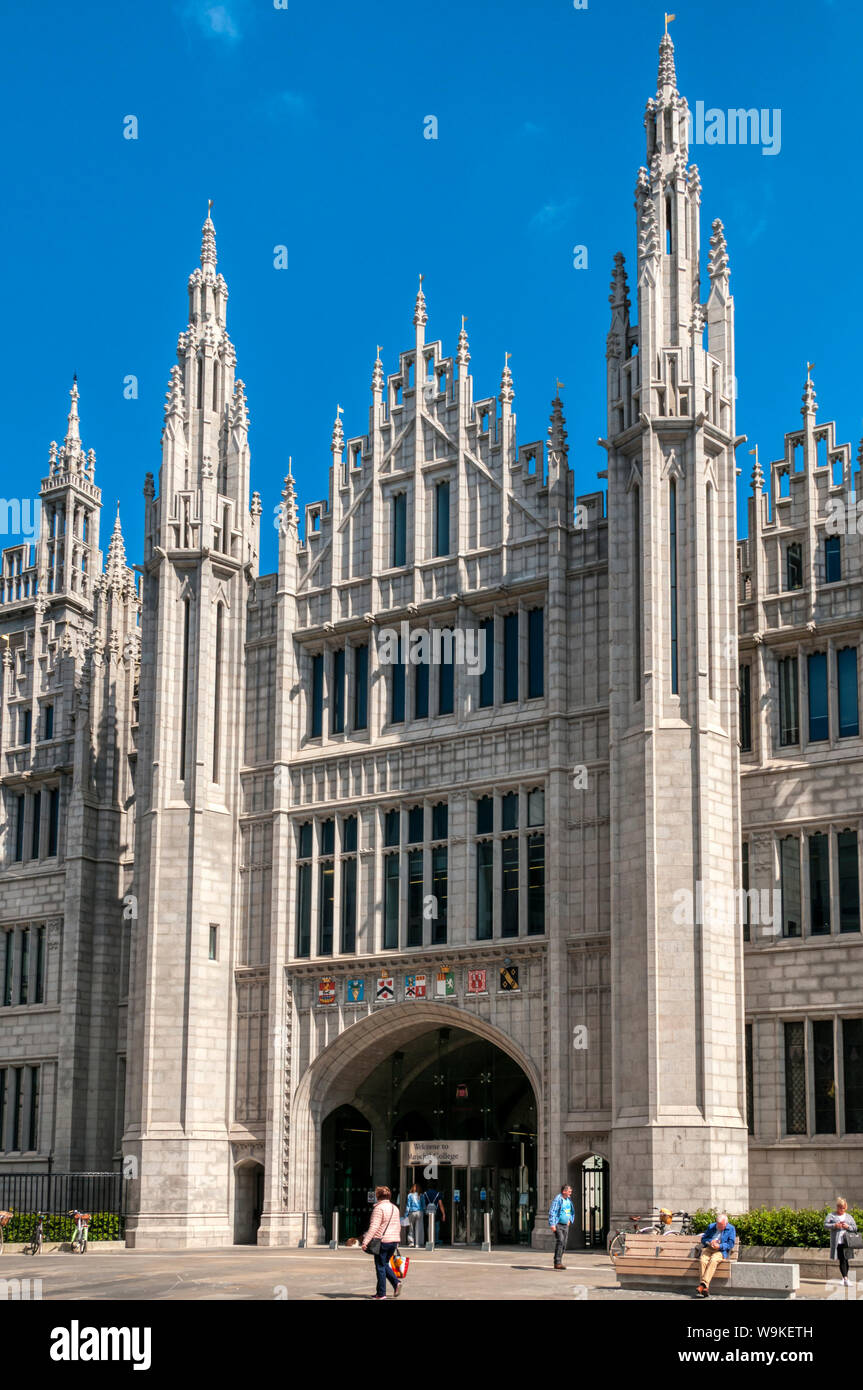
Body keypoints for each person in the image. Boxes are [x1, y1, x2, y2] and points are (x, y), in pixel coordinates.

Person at [361, 1186, 404, 1300]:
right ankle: (395, 1284)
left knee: (380, 1266)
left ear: (377, 1196)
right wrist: (397, 1239)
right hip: (393, 1241)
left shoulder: (379, 1208)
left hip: (382, 1241)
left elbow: (374, 1226)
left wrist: (365, 1241)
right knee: (384, 1264)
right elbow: (397, 1225)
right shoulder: (395, 1208)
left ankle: (381, 1293)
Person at [696, 1211, 737, 1298]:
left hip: (720, 1251)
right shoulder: (711, 1226)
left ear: (726, 1223)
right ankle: (705, 1288)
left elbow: (731, 1244)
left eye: (721, 1225)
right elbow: (703, 1239)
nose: (719, 1227)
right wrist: (710, 1242)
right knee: (702, 1260)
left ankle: (702, 1285)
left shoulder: (731, 1229)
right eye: (718, 1225)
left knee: (713, 1260)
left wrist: (720, 1245)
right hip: (709, 1248)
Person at [825, 1196, 858, 1286]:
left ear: (845, 1207)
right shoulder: (831, 1215)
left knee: (846, 1260)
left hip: (847, 1242)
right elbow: (825, 1225)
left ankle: (845, 1278)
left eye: (843, 1208)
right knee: (842, 1259)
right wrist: (835, 1225)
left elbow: (855, 1228)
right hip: (837, 1242)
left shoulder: (849, 1217)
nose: (842, 1210)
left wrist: (848, 1227)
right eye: (840, 1207)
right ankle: (845, 1278)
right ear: (837, 1207)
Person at [548, 1184, 576, 1270]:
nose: (570, 1193)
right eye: (569, 1191)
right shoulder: (558, 1199)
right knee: (560, 1240)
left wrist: (569, 1219)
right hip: (558, 1224)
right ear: (564, 1191)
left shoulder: (568, 1200)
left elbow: (571, 1210)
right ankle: (557, 1262)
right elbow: (552, 1211)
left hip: (565, 1225)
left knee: (564, 1243)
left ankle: (559, 1261)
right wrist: (552, 1224)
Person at [405, 1183, 425, 1248]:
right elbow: (423, 1205)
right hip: (419, 1212)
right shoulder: (421, 1195)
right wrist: (424, 1212)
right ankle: (418, 1243)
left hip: (412, 1212)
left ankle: (411, 1243)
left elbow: (408, 1205)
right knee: (419, 1228)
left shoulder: (410, 1195)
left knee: (411, 1228)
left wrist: (406, 1214)